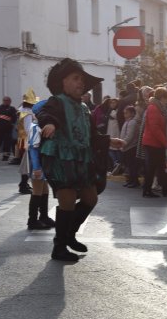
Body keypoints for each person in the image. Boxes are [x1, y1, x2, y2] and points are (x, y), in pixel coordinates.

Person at [36, 58, 125, 262]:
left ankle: (69, 235)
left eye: (82, 80)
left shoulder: (84, 108)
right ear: (62, 81)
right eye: (76, 78)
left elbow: (92, 136)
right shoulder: (56, 101)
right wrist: (49, 124)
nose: (81, 83)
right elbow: (45, 113)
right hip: (61, 156)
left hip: (81, 158)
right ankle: (59, 247)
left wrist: (110, 140)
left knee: (90, 198)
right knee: (66, 200)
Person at [24, 99, 55, 230]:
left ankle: (43, 216)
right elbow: (33, 148)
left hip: (42, 163)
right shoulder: (36, 128)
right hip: (37, 163)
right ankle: (32, 220)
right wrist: (37, 167)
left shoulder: (40, 126)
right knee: (37, 190)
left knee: (44, 189)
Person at [141, 87, 167, 198]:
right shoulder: (154, 108)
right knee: (152, 168)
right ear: (162, 97)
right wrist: (165, 141)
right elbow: (155, 128)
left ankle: (161, 189)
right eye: (166, 98)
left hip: (155, 142)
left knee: (157, 167)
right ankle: (147, 190)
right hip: (153, 143)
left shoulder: (157, 107)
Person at [16, 88, 37, 194]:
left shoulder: (21, 110)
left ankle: (24, 183)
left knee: (26, 163)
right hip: (27, 140)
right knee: (27, 164)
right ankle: (23, 185)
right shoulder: (27, 113)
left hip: (21, 139)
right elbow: (28, 128)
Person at [0, 96, 17, 161]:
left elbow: (14, 119)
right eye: (4, 100)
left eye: (7, 100)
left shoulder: (12, 109)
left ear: (10, 102)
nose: (5, 101)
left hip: (7, 130)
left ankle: (6, 156)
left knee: (7, 143)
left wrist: (10, 125)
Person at [119, 105, 140, 188]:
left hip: (131, 147)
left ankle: (134, 181)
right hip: (126, 147)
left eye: (126, 113)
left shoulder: (132, 122)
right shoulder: (127, 121)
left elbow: (129, 136)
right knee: (129, 165)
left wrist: (123, 143)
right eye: (124, 113)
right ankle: (131, 180)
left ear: (132, 113)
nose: (125, 115)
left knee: (132, 166)